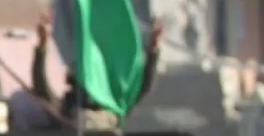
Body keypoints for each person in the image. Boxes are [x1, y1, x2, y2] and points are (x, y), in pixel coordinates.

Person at [23, 9, 162, 127]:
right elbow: (41, 87)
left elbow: (142, 88)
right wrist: (42, 44)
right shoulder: (64, 112)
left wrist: (153, 49)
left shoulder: (114, 109)